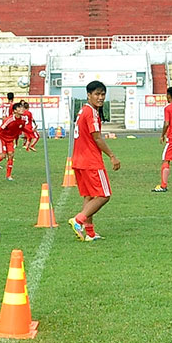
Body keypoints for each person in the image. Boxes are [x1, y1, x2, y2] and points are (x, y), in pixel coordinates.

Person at [69, 81, 121, 241]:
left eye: (102, 94)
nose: (100, 97)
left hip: (78, 159)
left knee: (90, 196)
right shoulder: (90, 112)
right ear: (88, 95)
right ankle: (78, 220)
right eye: (97, 94)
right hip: (90, 160)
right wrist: (112, 155)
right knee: (104, 195)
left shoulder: (83, 110)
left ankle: (90, 233)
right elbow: (97, 137)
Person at [0, 102, 28, 181]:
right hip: (1, 138)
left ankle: (8, 175)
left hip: (10, 140)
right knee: (2, 155)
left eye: (22, 107)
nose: (22, 109)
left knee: (11, 155)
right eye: (19, 108)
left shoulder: (23, 119)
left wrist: (31, 132)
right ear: (14, 111)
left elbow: (23, 128)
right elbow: (0, 129)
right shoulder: (9, 119)